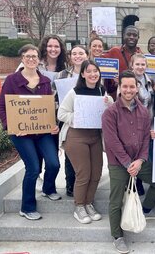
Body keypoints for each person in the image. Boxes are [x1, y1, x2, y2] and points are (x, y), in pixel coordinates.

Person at [102, 70, 155, 254]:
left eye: (132, 86)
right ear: (120, 88)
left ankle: (146, 208)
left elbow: (146, 138)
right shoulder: (110, 113)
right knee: (115, 201)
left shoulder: (144, 111)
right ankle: (117, 236)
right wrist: (127, 163)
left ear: (137, 88)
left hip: (139, 161)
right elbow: (112, 142)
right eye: (125, 86)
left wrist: (140, 160)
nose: (129, 90)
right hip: (118, 163)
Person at [0, 44, 61, 220]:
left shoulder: (45, 81)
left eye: (34, 56)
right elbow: (2, 106)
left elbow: (48, 109)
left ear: (39, 59)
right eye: (28, 56)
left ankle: (48, 188)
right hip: (21, 133)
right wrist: (13, 126)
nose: (31, 59)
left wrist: (53, 124)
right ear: (22, 59)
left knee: (54, 164)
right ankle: (27, 207)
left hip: (43, 132)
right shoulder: (11, 80)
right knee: (33, 167)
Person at [58, 60, 113, 224]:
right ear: (82, 74)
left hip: (94, 136)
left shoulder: (101, 91)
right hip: (76, 136)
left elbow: (110, 111)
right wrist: (77, 117)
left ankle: (89, 203)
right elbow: (61, 113)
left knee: (96, 173)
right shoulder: (74, 92)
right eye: (88, 71)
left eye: (95, 71)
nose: (93, 74)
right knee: (83, 173)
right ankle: (79, 206)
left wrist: (109, 103)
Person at [55, 45, 90, 197]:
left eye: (81, 53)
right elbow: (55, 99)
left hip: (88, 121)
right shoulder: (62, 75)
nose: (78, 56)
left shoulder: (91, 72)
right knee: (70, 155)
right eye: (74, 53)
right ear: (70, 57)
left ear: (87, 55)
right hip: (69, 119)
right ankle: (70, 185)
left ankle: (83, 183)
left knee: (86, 155)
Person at [129, 53, 155, 196]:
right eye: (137, 64)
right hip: (133, 125)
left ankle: (141, 179)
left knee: (145, 154)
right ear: (132, 65)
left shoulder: (150, 81)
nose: (140, 67)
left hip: (150, 123)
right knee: (134, 153)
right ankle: (135, 183)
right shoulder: (128, 81)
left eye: (143, 64)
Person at [103, 25, 142, 99]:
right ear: (123, 36)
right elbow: (98, 64)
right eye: (128, 34)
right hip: (115, 98)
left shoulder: (141, 56)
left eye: (135, 35)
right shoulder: (113, 52)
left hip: (135, 99)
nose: (131, 37)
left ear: (138, 38)